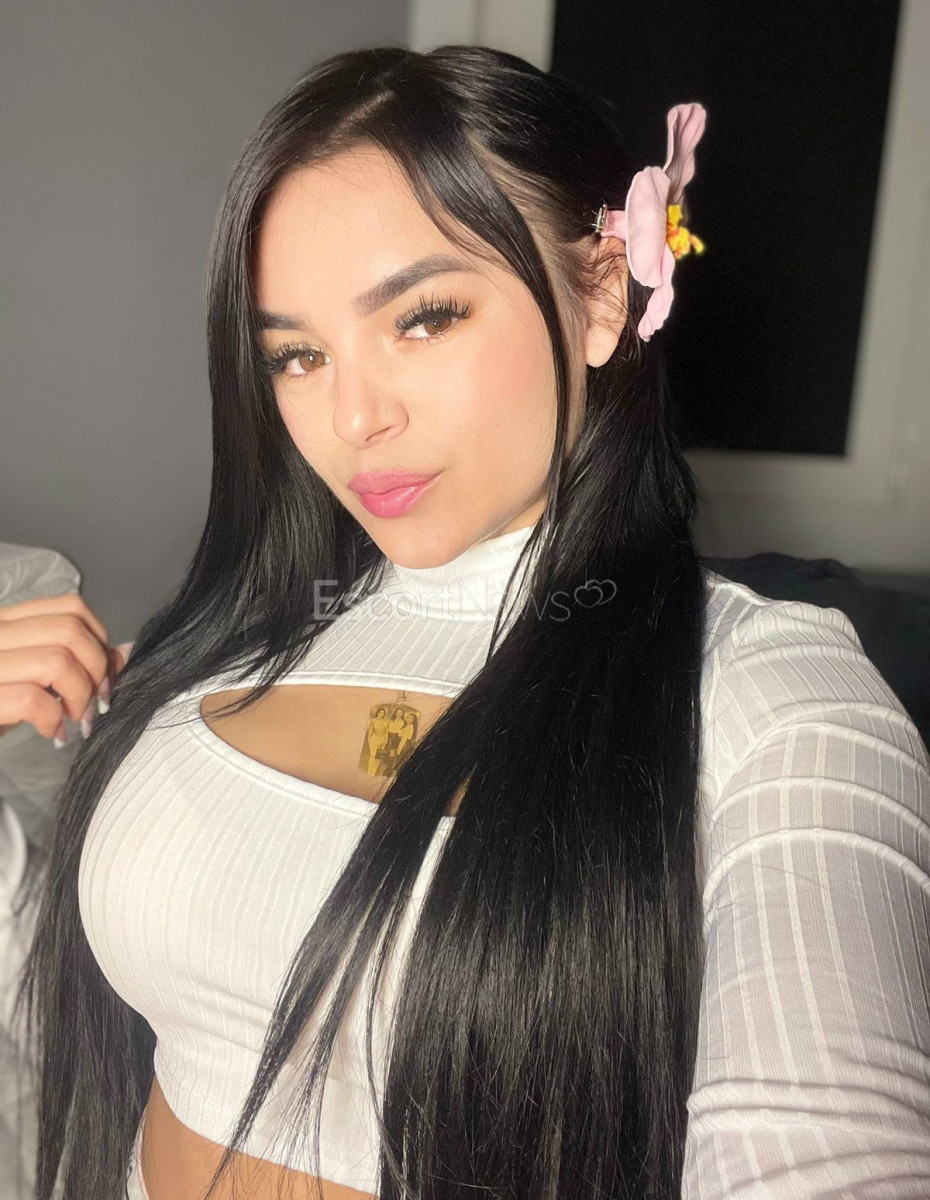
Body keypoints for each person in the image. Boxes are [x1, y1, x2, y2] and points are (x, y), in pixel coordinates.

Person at [0, 42, 928, 1200]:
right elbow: (58, 1013)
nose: (353, 416)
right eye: (298, 354)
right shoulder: (223, 651)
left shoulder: (769, 695)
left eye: (424, 319)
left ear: (602, 295)